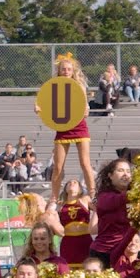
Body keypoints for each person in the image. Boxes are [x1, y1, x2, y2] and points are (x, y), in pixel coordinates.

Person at [39, 52, 96, 205]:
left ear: (73, 71)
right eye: (63, 69)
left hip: (79, 127)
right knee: (57, 167)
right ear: (59, 71)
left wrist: (86, 108)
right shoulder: (53, 87)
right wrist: (38, 108)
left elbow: (85, 107)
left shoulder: (79, 86)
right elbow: (45, 105)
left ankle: (93, 194)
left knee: (85, 163)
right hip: (63, 128)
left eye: (69, 69)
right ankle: (54, 198)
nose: (66, 72)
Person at [89, 158, 136, 267]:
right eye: (120, 170)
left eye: (128, 171)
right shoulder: (104, 197)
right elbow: (120, 199)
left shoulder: (135, 196)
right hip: (104, 253)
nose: (125, 174)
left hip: (128, 250)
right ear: (110, 175)